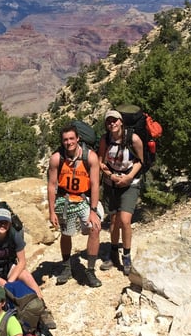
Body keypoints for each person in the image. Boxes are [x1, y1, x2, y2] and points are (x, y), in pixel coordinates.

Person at [47, 124, 102, 287]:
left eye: (72, 138)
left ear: (78, 138)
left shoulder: (90, 157)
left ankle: (90, 271)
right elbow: (51, 185)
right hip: (65, 200)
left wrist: (93, 210)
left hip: (84, 199)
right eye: (65, 139)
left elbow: (94, 184)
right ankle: (66, 267)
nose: (69, 142)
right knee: (66, 233)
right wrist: (51, 211)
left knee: (95, 227)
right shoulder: (57, 158)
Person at [98, 109, 144, 276]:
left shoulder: (133, 139)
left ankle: (126, 255)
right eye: (109, 121)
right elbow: (100, 161)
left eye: (115, 120)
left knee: (125, 220)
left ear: (121, 121)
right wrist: (110, 175)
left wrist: (128, 177)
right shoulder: (105, 139)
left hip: (130, 183)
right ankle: (113, 253)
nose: (112, 123)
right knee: (113, 220)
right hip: (111, 184)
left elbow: (140, 161)